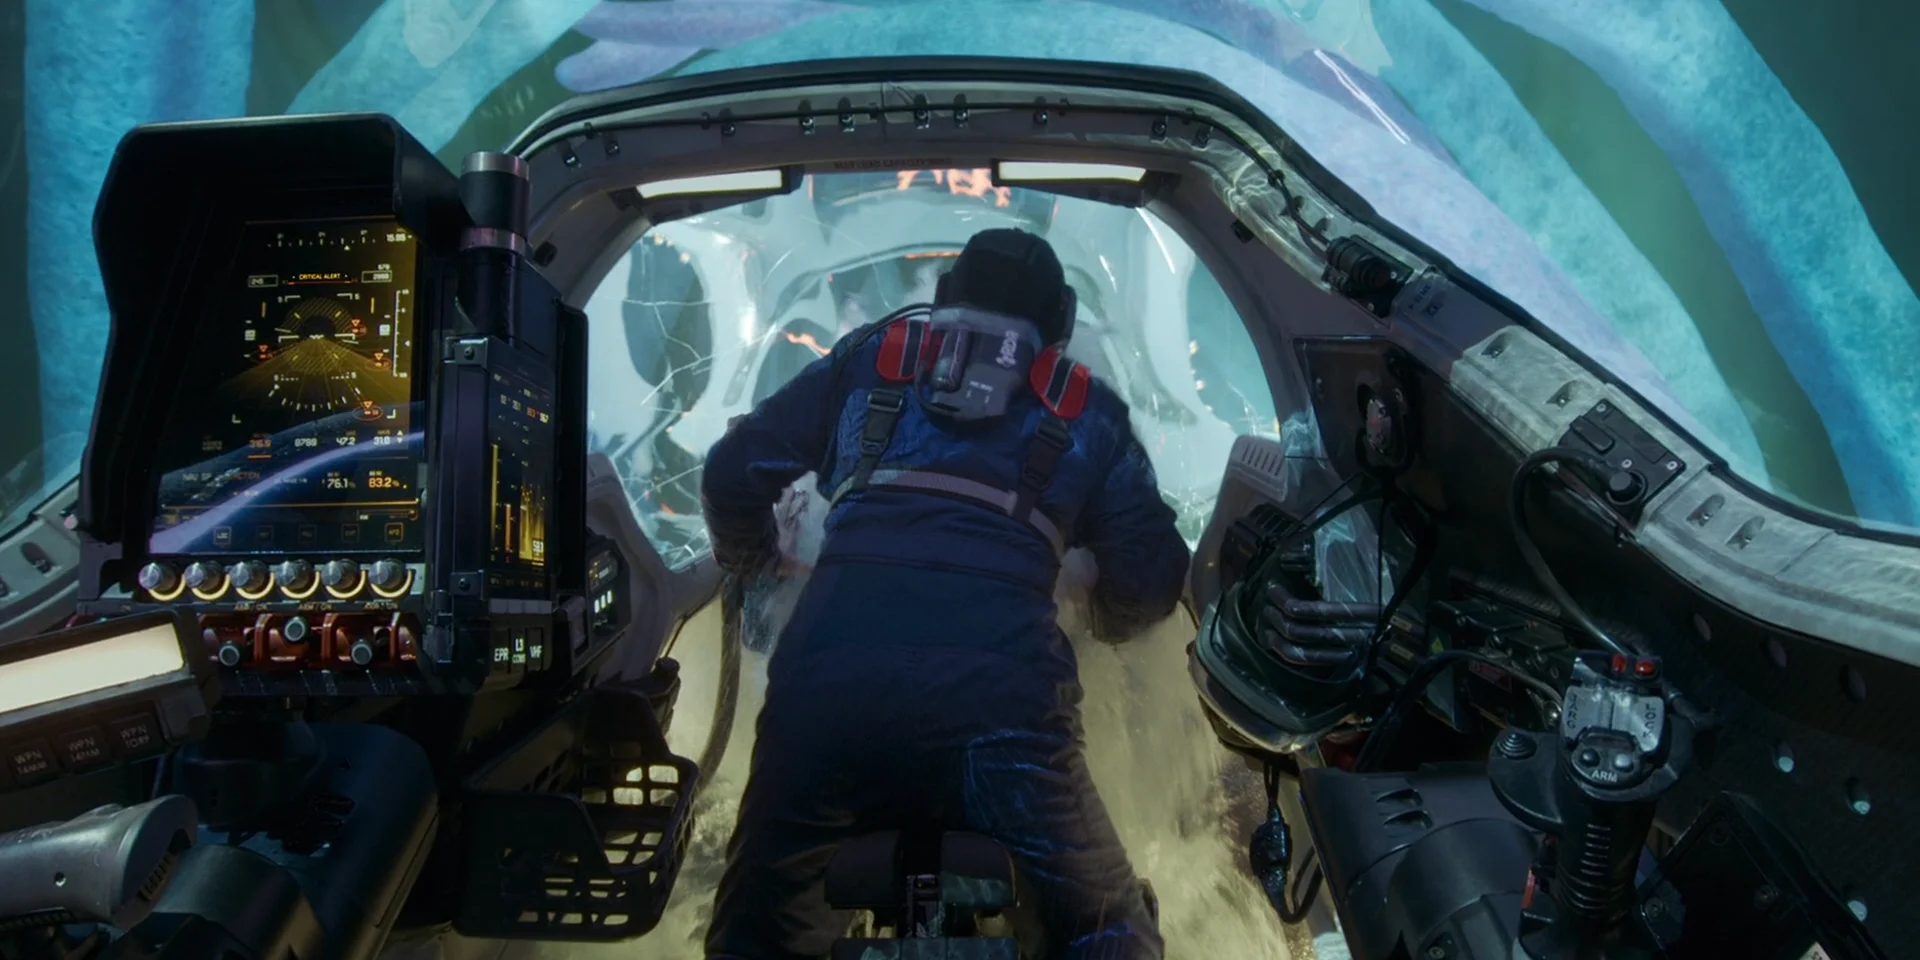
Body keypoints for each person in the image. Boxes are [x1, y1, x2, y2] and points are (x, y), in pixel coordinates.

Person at [700, 228, 1191, 959]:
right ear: (1060, 324)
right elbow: (1152, 578)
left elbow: (729, 474)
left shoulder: (865, 366)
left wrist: (763, 569)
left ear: (940, 301)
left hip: (827, 698)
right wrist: (1096, 614)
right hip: (1002, 717)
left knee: (754, 943)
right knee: (1107, 937)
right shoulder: (1088, 412)